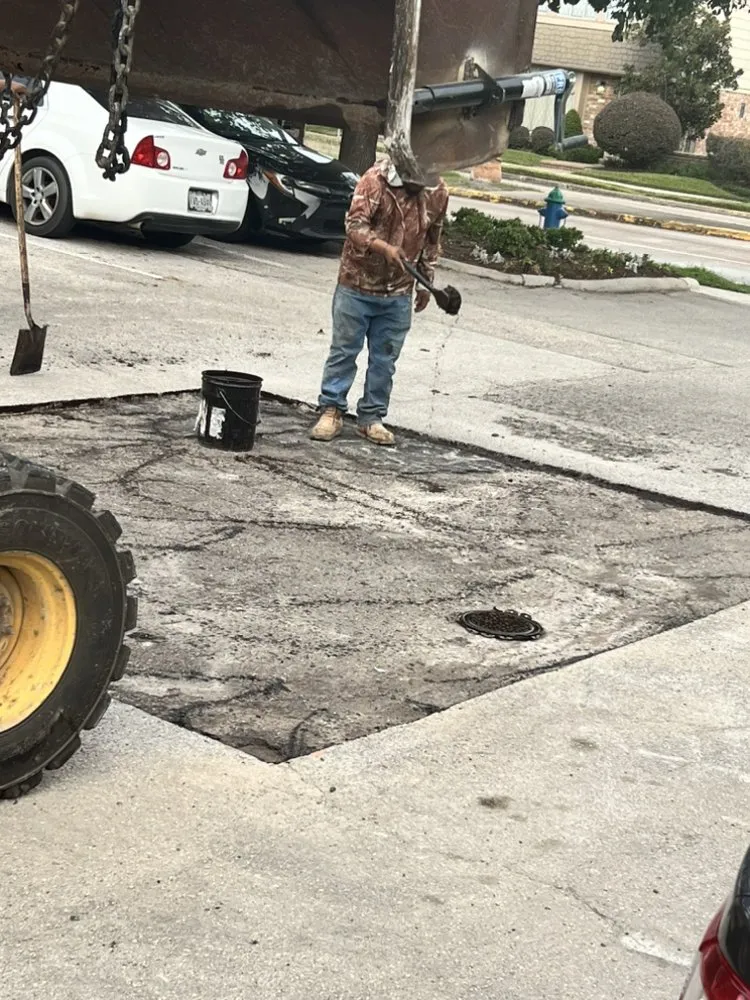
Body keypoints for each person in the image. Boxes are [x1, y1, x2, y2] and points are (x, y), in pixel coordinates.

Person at [310, 156, 449, 447]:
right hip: (356, 284)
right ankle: (331, 409)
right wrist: (383, 247)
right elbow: (354, 225)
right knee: (344, 352)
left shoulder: (437, 192)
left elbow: (432, 238)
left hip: (398, 293)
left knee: (385, 360)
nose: (419, 186)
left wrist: (426, 282)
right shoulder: (374, 180)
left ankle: (371, 417)